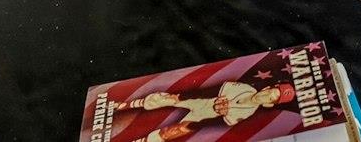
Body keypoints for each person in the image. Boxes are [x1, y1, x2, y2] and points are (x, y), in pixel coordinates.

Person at [124, 80, 296, 139]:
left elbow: (214, 121)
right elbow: (207, 92)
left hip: (205, 115)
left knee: (173, 132)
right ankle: (128, 105)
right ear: (266, 88)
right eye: (270, 92)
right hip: (201, 100)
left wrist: (187, 127)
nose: (266, 96)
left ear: (269, 104)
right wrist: (181, 98)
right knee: (167, 98)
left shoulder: (246, 113)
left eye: (272, 99)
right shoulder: (244, 87)